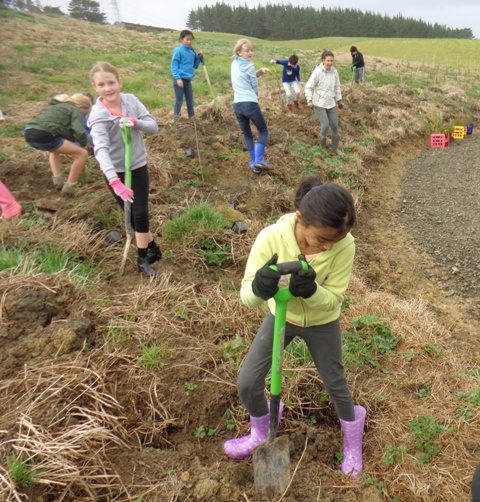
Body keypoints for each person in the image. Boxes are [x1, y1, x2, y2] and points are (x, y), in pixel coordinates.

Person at [223, 175, 366, 479]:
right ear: (301, 219)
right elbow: (247, 298)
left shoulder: (345, 246)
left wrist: (312, 291)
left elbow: (333, 300)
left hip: (322, 322)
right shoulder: (270, 238)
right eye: (323, 239)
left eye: (336, 240)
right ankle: (261, 432)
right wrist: (260, 287)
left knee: (336, 384)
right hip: (281, 317)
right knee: (247, 383)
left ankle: (353, 441)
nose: (329, 247)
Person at [88, 61, 161, 278]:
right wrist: (114, 181)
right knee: (130, 216)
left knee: (140, 212)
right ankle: (153, 247)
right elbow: (101, 150)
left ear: (119, 82)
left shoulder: (131, 101)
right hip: (115, 172)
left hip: (137, 165)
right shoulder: (98, 115)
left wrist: (135, 122)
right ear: (95, 87)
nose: (108, 88)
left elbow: (153, 127)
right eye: (101, 85)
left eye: (111, 83)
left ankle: (142, 259)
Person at [24, 93, 92, 195]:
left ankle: (58, 181)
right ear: (81, 107)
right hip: (45, 134)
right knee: (82, 154)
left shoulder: (56, 106)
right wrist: (83, 144)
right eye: (85, 113)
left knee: (55, 149)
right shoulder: (76, 110)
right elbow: (78, 131)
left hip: (29, 133)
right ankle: (69, 187)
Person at [231, 38, 272, 174]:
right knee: (263, 131)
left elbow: (247, 77)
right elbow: (253, 83)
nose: (250, 53)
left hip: (237, 105)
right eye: (247, 50)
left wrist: (260, 70)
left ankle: (254, 164)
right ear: (239, 52)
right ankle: (259, 159)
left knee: (247, 134)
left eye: (251, 50)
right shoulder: (249, 66)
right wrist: (256, 93)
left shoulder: (234, 64)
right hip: (249, 103)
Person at [304, 50, 344, 155]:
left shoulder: (334, 72)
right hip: (319, 104)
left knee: (335, 125)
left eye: (332, 61)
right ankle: (322, 147)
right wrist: (309, 100)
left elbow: (337, 87)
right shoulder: (317, 72)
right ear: (323, 60)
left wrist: (339, 100)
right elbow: (308, 87)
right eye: (328, 61)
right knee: (325, 125)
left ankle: (335, 148)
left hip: (331, 103)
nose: (330, 63)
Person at [170, 29, 203, 121]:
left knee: (190, 102)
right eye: (187, 39)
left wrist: (198, 57)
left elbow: (195, 66)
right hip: (179, 80)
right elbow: (174, 65)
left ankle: (192, 120)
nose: (189, 41)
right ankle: (176, 121)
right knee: (179, 101)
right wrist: (178, 78)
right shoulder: (178, 50)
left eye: (191, 39)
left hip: (188, 81)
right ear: (182, 39)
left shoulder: (192, 52)